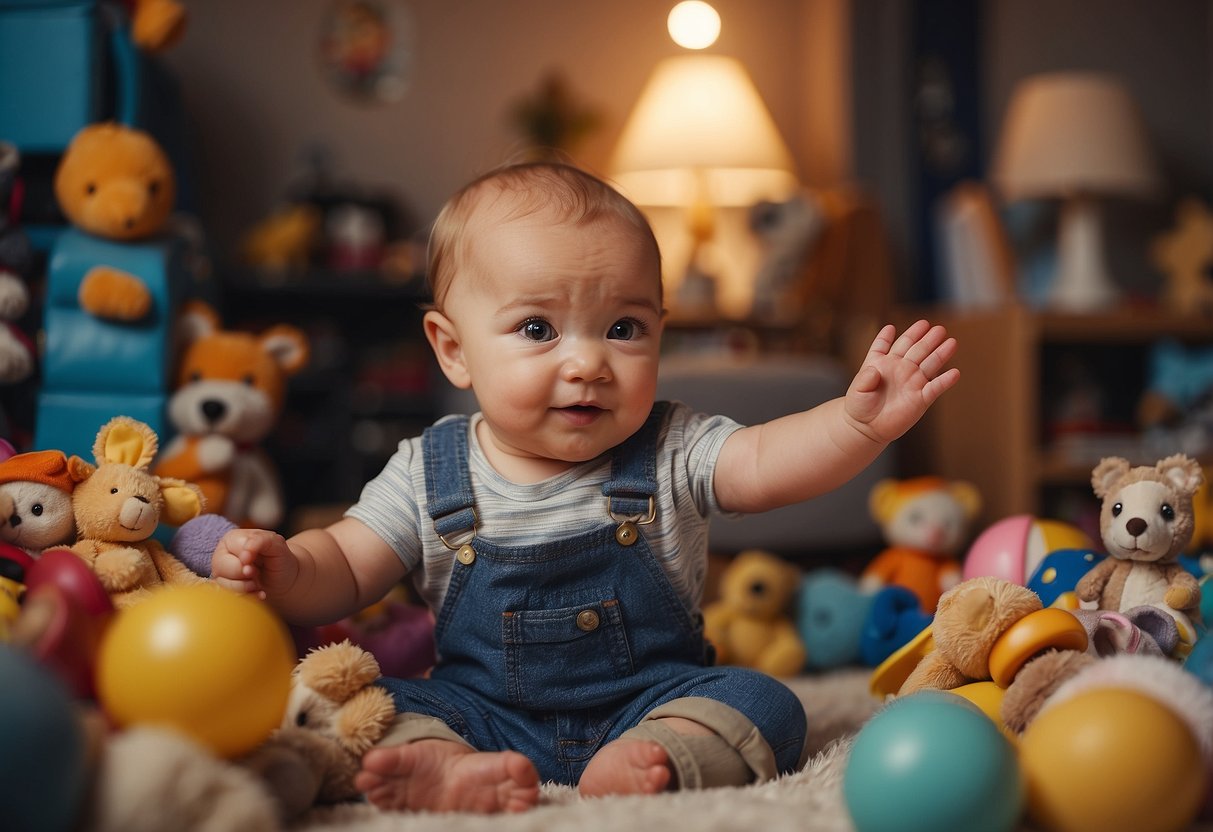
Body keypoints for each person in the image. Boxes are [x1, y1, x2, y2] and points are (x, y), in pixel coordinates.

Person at [211, 161, 960, 814]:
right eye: (538, 330)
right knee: (367, 701)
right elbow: (343, 567)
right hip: (479, 713)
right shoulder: (427, 469)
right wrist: (286, 568)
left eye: (624, 328)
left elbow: (766, 462)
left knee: (764, 702)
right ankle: (447, 767)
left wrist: (856, 425)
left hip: (650, 701)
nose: (587, 364)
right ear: (453, 349)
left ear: (660, 330)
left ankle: (660, 759)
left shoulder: (669, 445)